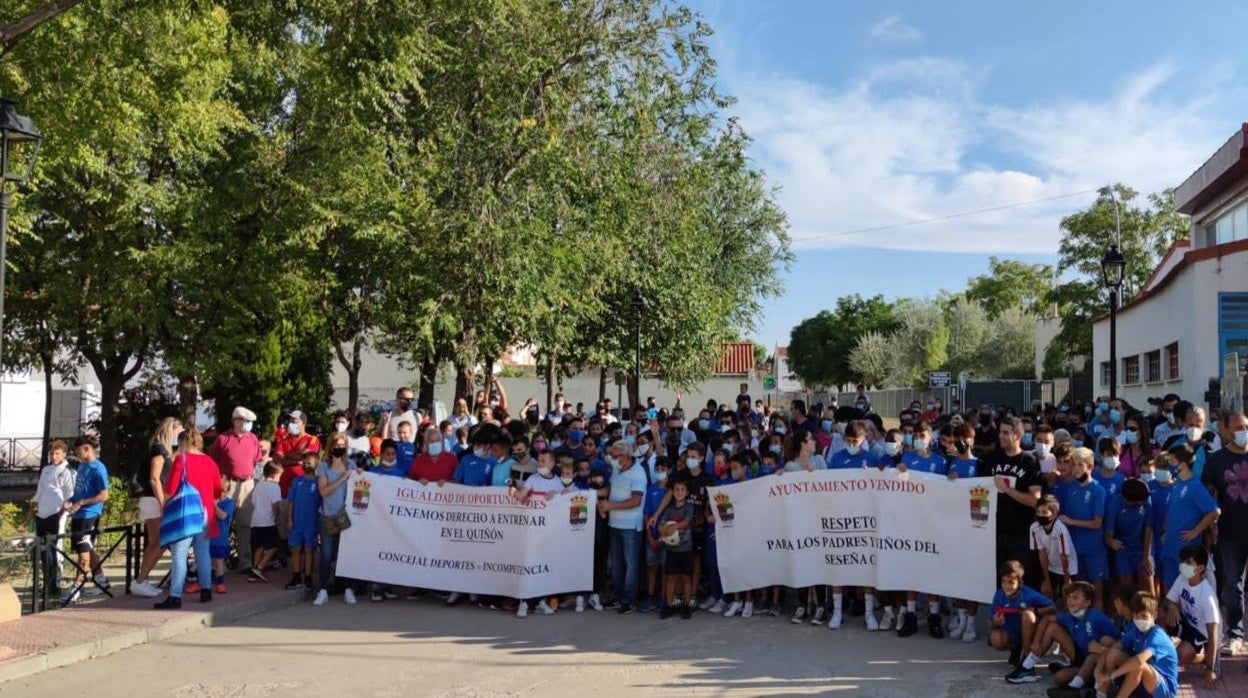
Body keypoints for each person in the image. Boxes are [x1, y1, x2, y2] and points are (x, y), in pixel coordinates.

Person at [154, 428, 223, 609]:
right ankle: (206, 591)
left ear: (183, 442)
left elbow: (170, 488)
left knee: (179, 554)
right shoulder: (210, 461)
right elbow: (218, 490)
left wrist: (164, 505)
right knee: (203, 553)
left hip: (186, 515)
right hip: (206, 513)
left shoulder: (181, 460)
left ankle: (175, 596)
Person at [1013, 581, 1118, 688]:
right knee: (1052, 628)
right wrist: (1036, 642)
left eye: (1075, 597)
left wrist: (1101, 649)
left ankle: (1091, 679)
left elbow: (1118, 641)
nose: (1070, 601)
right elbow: (1047, 618)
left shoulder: (1097, 617)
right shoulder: (1069, 616)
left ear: (1087, 602)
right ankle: (1027, 667)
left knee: (1060, 678)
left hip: (1096, 661)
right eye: (1069, 597)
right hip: (1080, 657)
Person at [1202, 409, 1247, 656]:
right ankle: (1235, 633)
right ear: (1227, 431)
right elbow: (1208, 495)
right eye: (1239, 428)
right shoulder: (1216, 461)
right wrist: (1211, 527)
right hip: (1230, 534)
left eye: (1247, 427)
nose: (1244, 432)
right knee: (1231, 585)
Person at [990, 416, 1044, 590]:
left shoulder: (1029, 462)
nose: (1001, 436)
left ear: (1018, 435)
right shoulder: (992, 459)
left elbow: (1035, 501)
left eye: (1006, 433)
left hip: (1021, 534)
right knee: (1000, 582)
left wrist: (1008, 490)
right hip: (996, 533)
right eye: (1000, 432)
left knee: (1021, 582)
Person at [1158, 443, 1218, 597]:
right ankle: (1175, 619)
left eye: (1171, 461)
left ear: (1182, 463)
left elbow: (1214, 511)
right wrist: (1166, 531)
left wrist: (1195, 531)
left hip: (1186, 549)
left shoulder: (1195, 486)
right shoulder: (1177, 483)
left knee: (1187, 592)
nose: (1169, 465)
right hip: (1171, 545)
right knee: (1171, 590)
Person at [1094, 591, 1179, 698]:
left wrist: (1112, 675)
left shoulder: (1158, 636)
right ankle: (1103, 692)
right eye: (1136, 616)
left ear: (1154, 615)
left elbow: (1139, 660)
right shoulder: (1136, 630)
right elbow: (1116, 647)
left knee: (1139, 665)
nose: (1139, 620)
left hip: (1164, 691)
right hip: (1142, 682)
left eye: (1144, 616)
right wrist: (1099, 671)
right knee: (1114, 653)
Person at [209, 406, 261, 574]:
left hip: (247, 484)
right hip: (228, 484)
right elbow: (212, 461)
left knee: (245, 525)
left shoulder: (253, 438)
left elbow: (257, 461)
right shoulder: (223, 439)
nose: (248, 425)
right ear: (236, 421)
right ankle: (218, 564)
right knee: (223, 523)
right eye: (245, 421)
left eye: (249, 422)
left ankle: (244, 562)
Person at [313, 432, 361, 606]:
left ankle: (349, 589)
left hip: (347, 518)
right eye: (336, 445)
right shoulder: (323, 466)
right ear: (330, 447)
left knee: (346, 554)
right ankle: (323, 590)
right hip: (328, 516)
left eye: (343, 445)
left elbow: (361, 484)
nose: (340, 448)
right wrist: (342, 479)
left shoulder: (352, 465)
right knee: (326, 555)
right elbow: (324, 491)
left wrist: (360, 474)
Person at [598, 440, 646, 614]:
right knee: (617, 564)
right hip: (614, 524)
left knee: (631, 564)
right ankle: (619, 597)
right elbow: (611, 488)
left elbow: (636, 500)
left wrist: (610, 506)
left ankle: (629, 600)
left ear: (626, 456)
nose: (611, 458)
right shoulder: (617, 470)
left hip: (630, 527)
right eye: (611, 455)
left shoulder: (638, 473)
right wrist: (597, 493)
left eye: (615, 455)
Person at [62, 435, 110, 605]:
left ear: (87, 449)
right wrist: (71, 501)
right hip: (78, 513)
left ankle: (76, 587)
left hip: (89, 515)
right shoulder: (82, 467)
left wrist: (82, 503)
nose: (76, 453)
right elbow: (80, 491)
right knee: (87, 549)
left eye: (78, 450)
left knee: (83, 554)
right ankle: (101, 580)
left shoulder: (99, 469)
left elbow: (104, 495)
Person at [1164, 545, 1220, 687]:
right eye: (1182, 561)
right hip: (1188, 623)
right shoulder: (1182, 578)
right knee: (1160, 613)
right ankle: (1161, 645)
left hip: (1203, 635)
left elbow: (1213, 635)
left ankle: (1206, 659)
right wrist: (1172, 607)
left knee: (1180, 655)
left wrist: (1209, 669)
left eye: (1188, 563)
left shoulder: (1207, 596)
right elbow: (1168, 600)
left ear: (1200, 568)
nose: (1183, 565)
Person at [1061, 447, 1108, 606]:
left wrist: (1072, 522)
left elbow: (1097, 523)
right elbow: (1066, 517)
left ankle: (1099, 625)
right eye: (1074, 464)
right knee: (1079, 591)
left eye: (1080, 465)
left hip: (1094, 548)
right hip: (1075, 547)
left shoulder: (1098, 490)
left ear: (1090, 467)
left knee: (1097, 592)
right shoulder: (1071, 488)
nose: (1075, 468)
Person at [989, 560, 1055, 670]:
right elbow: (990, 622)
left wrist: (1036, 611)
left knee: (1028, 614)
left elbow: (1053, 607)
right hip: (1012, 634)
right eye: (1003, 581)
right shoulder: (999, 594)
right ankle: (1015, 650)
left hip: (1031, 633)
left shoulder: (1028, 594)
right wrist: (995, 623)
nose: (1006, 586)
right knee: (996, 639)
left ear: (1019, 582)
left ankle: (1026, 655)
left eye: (1011, 582)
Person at [32, 440, 74, 605]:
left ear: (64, 454)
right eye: (51, 453)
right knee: (42, 550)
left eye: (57, 453)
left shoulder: (67, 471)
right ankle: (45, 581)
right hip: (43, 512)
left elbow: (69, 495)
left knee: (55, 548)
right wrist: (33, 508)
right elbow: (40, 491)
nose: (53, 456)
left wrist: (63, 511)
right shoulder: (46, 469)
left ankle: (55, 583)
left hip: (56, 513)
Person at [1106, 478, 1153, 592]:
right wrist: (1110, 541)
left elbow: (1148, 528)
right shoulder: (1115, 503)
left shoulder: (1146, 499)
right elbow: (1108, 533)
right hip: (1123, 550)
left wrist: (1146, 556)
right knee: (1125, 587)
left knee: (1147, 585)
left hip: (1142, 548)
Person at [656, 479, 694, 620]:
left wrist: (673, 527)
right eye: (676, 490)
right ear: (673, 492)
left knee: (686, 577)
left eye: (682, 490)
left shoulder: (689, 507)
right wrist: (662, 529)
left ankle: (686, 605)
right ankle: (669, 605)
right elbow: (661, 525)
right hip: (671, 549)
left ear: (687, 492)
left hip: (685, 549)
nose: (679, 492)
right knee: (670, 577)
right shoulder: (669, 509)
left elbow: (686, 522)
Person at [284, 452, 322, 592]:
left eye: (310, 462)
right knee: (295, 549)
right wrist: (289, 518)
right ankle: (296, 577)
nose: (306, 465)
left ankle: (308, 577)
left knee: (308, 550)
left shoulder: (319, 482)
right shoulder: (296, 481)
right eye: (305, 462)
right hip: (296, 522)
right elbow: (291, 501)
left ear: (316, 464)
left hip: (311, 523)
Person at [1030, 495, 1075, 601]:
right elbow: (1042, 553)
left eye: (1044, 512)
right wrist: (1047, 580)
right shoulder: (1034, 528)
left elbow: (1064, 556)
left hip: (1068, 567)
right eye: (1038, 511)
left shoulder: (1060, 530)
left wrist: (1066, 580)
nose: (1040, 515)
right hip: (1050, 566)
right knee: (1045, 592)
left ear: (1054, 514)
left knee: (1068, 595)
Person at [247, 462, 283, 582]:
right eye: (279, 475)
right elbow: (275, 505)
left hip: (256, 520)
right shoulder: (275, 487)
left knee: (259, 546)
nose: (279, 478)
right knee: (274, 545)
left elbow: (253, 501)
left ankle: (254, 571)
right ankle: (260, 567)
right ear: (273, 475)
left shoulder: (258, 485)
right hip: (268, 521)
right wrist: (277, 516)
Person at [275, 410, 320, 496]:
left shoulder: (312, 439)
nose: (291, 424)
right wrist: (297, 461)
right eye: (290, 421)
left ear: (303, 423)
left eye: (294, 421)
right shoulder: (284, 439)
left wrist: (287, 455)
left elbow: (306, 456)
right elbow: (278, 459)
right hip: (284, 484)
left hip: (303, 484)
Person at [209, 482, 235, 594]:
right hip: (207, 536)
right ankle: (202, 582)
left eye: (223, 491)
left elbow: (223, 516)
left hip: (220, 537)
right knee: (204, 560)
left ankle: (220, 583)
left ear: (227, 491)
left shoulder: (229, 503)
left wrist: (213, 505)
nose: (220, 493)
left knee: (218, 561)